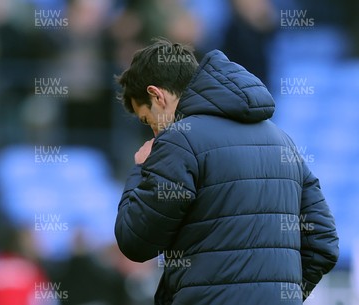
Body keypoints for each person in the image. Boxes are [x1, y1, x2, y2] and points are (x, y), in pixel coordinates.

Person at [114, 38, 339, 305]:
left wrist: (141, 168)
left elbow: (136, 242)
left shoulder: (179, 141)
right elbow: (323, 243)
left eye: (147, 120)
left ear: (157, 95)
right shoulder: (283, 141)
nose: (153, 132)